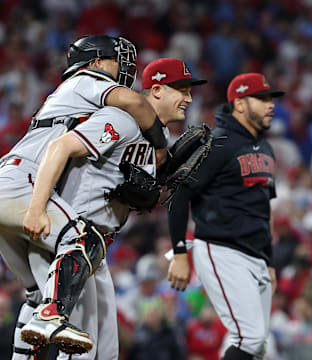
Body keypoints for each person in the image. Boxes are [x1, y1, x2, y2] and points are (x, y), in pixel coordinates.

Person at [14, 57, 206, 355]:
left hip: (94, 249)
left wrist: (161, 186)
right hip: (68, 240)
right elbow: (62, 146)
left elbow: (132, 194)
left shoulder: (157, 142)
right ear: (156, 90)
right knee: (80, 347)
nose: (188, 98)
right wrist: (38, 209)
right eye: (181, 89)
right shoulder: (122, 119)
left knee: (105, 352)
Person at [0, 33, 167, 359]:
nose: (123, 68)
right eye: (115, 60)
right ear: (94, 63)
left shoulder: (70, 98)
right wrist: (161, 148)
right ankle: (52, 317)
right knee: (85, 240)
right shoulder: (84, 80)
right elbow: (135, 102)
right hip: (21, 182)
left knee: (37, 293)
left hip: (9, 184)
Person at [167, 73, 284, 360]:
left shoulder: (266, 148)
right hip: (223, 250)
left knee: (258, 348)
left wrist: (269, 261)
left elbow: (263, 209)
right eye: (262, 99)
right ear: (240, 104)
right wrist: (180, 252)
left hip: (257, 255)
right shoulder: (218, 143)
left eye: (271, 99)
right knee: (249, 338)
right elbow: (180, 195)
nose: (270, 105)